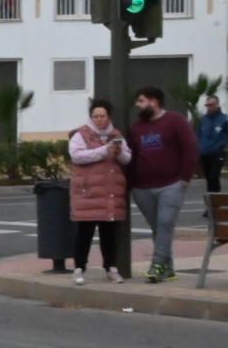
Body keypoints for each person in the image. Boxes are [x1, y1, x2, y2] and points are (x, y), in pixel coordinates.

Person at [126, 87, 198, 283]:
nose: (137, 106)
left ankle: (157, 265)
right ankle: (169, 269)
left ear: (154, 101)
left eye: (141, 101)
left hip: (171, 185)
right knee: (157, 228)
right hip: (142, 187)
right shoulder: (137, 127)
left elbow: (190, 148)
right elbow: (131, 156)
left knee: (165, 224)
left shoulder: (175, 120)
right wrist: (132, 183)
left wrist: (184, 178)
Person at [67, 99, 132, 286]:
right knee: (84, 232)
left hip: (109, 193)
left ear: (108, 116)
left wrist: (118, 151)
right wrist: (104, 150)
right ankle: (79, 269)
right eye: (95, 116)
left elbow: (127, 159)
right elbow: (77, 156)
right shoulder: (81, 135)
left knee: (108, 233)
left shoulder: (116, 135)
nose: (99, 119)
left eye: (102, 116)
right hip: (88, 193)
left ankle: (111, 268)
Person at [196, 95, 228, 205]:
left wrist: (222, 145)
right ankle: (210, 204)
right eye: (207, 105)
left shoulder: (225, 119)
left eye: (211, 104)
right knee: (209, 179)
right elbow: (199, 134)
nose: (209, 107)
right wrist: (199, 146)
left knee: (214, 177)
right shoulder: (203, 120)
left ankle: (216, 203)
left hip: (218, 153)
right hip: (205, 153)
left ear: (217, 104)